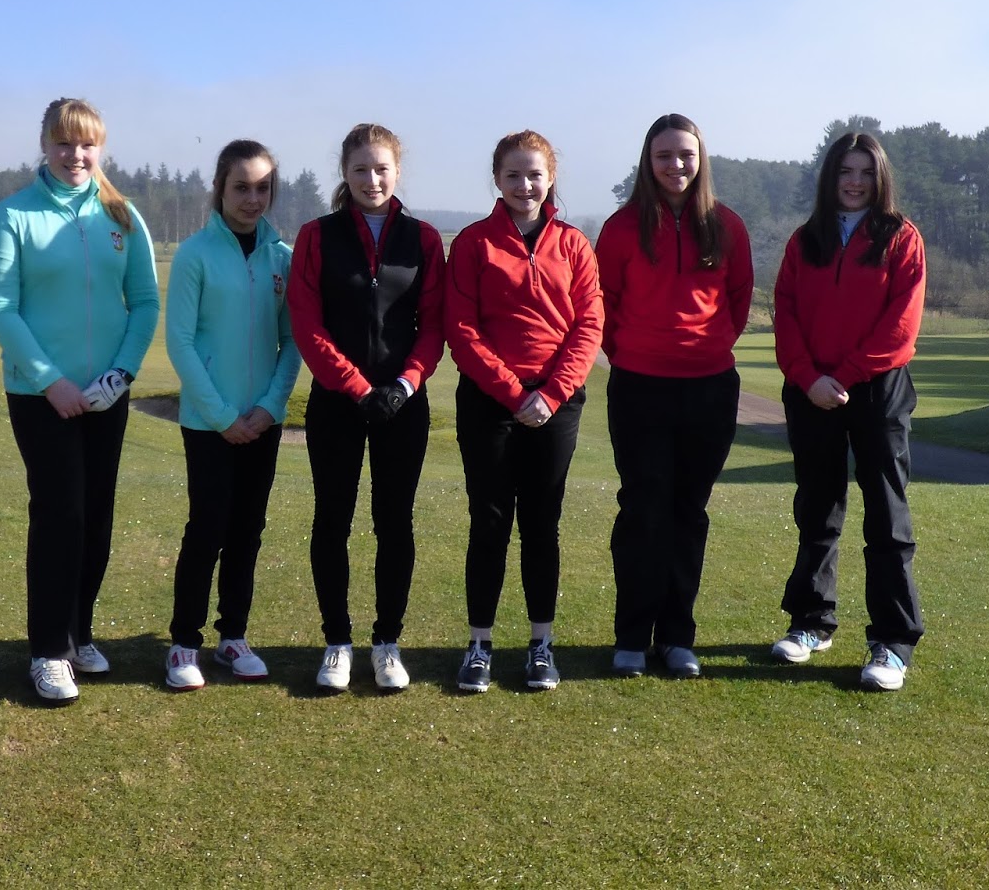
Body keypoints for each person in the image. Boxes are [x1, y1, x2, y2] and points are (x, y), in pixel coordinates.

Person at [0, 98, 159, 704]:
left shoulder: (121, 214)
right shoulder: (12, 215)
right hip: (41, 396)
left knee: (97, 514)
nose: (75, 155)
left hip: (107, 393)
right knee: (60, 515)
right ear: (45, 145)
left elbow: (145, 303)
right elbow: (0, 307)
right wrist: (49, 381)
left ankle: (79, 632)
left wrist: (121, 374)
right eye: (63, 143)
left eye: (86, 144)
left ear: (99, 147)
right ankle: (48, 650)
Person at [594, 113, 753, 680]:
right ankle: (633, 636)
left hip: (709, 388)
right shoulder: (621, 228)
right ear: (648, 161)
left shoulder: (727, 225)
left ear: (700, 159)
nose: (676, 165)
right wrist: (636, 352)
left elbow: (738, 299)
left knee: (688, 511)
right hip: (639, 386)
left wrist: (704, 349)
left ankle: (677, 636)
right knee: (643, 508)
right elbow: (603, 303)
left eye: (686, 155)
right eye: (664, 156)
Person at [444, 130, 603, 693]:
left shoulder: (574, 244)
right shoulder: (473, 243)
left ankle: (541, 644)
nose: (525, 185)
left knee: (541, 525)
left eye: (535, 174)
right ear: (497, 179)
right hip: (489, 404)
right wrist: (515, 395)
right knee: (489, 523)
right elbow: (461, 329)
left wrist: (551, 394)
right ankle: (479, 645)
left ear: (550, 177)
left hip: (555, 404)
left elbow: (588, 324)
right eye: (513, 175)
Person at [288, 123, 445, 693]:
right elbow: (307, 323)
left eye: (381, 169)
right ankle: (337, 642)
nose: (372, 179)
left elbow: (434, 324)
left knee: (394, 522)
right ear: (345, 173)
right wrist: (356, 387)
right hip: (337, 403)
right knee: (332, 519)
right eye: (360, 169)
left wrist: (403, 385)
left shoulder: (424, 239)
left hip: (403, 405)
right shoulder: (317, 235)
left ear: (397, 171)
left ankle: (386, 643)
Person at [770, 131, 926, 692]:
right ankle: (812, 622)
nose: (855, 182)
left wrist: (848, 375)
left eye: (864, 172)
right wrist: (809, 378)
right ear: (830, 177)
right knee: (817, 508)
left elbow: (901, 325)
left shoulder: (901, 237)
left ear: (879, 178)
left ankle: (893, 641)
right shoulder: (805, 239)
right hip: (812, 389)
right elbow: (785, 311)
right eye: (844, 171)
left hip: (877, 389)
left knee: (887, 515)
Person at [162, 140, 303, 691]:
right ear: (219, 188)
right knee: (208, 528)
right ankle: (183, 642)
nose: (252, 198)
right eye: (241, 187)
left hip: (261, 421)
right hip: (209, 423)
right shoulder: (195, 254)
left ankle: (233, 636)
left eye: (263, 188)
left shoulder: (281, 258)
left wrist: (269, 408)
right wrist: (223, 416)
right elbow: (180, 343)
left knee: (247, 530)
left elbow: (291, 342)